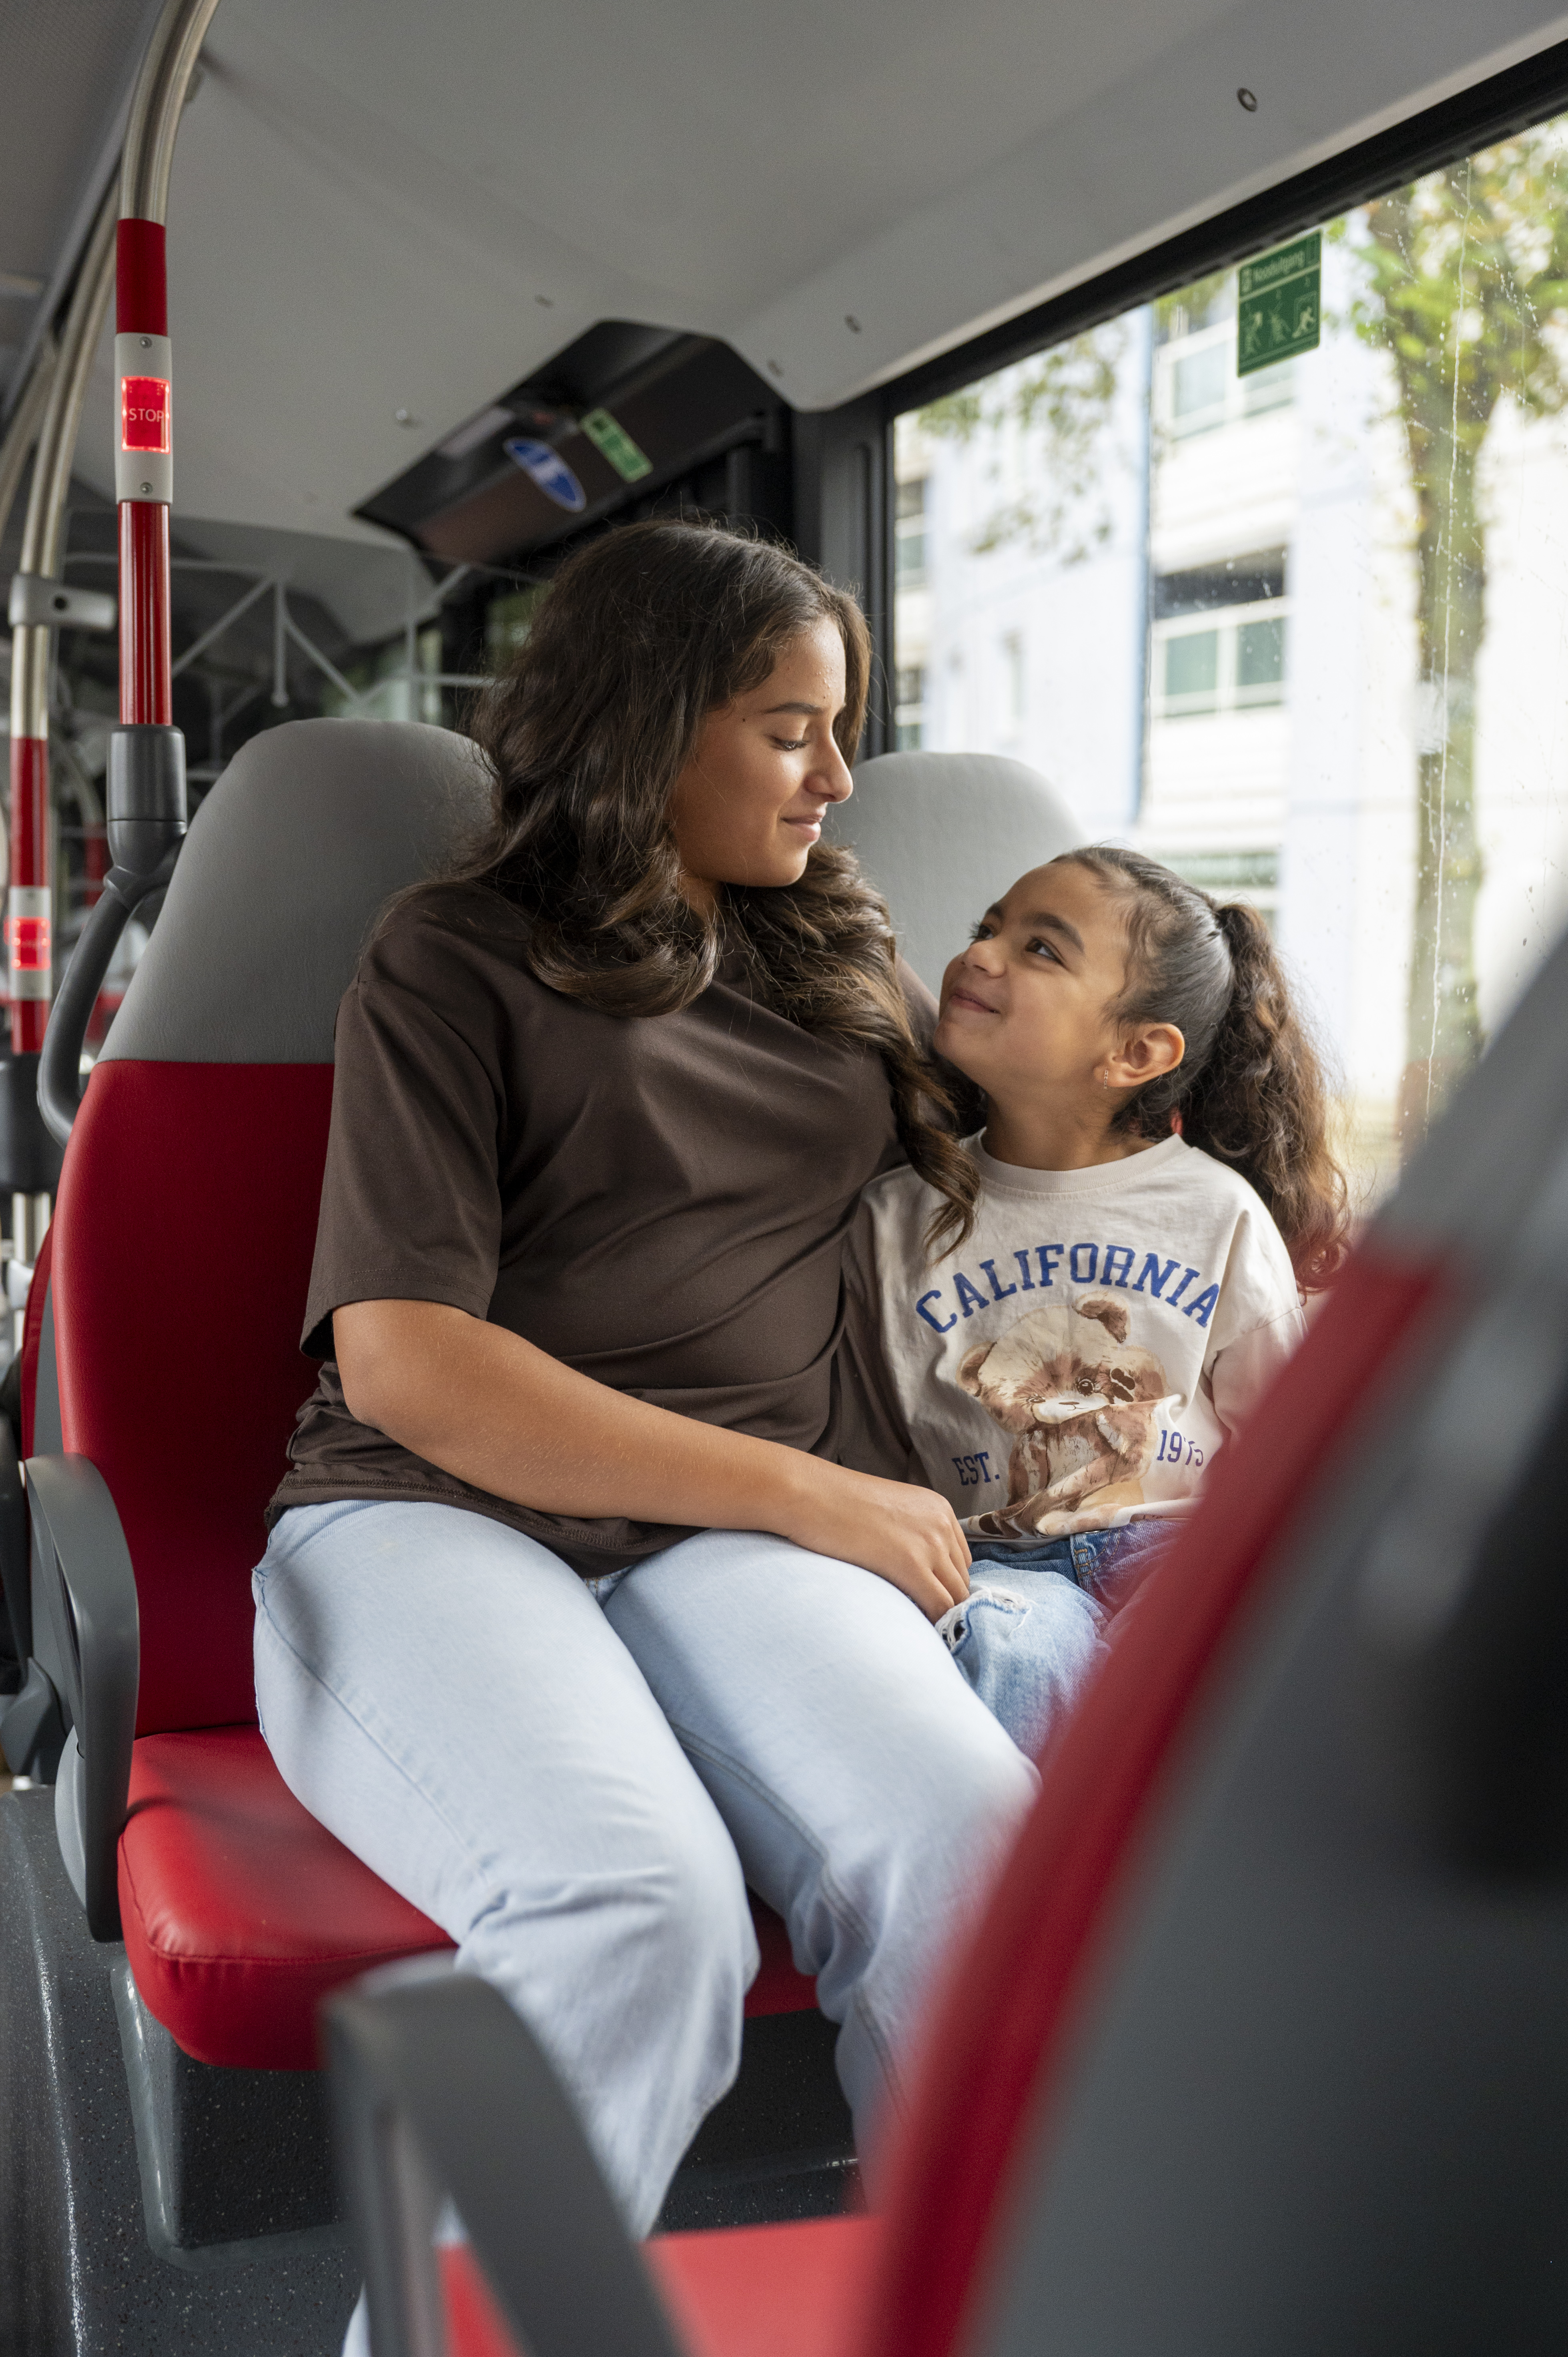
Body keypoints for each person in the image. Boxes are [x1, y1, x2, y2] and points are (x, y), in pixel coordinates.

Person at [250, 521, 1036, 2261]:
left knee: (984, 1865)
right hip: (429, 1513)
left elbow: (1035, 1155)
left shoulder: (829, 947)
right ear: (641, 720)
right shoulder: (451, 953)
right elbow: (407, 1356)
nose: (837, 773)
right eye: (786, 727)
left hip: (724, 1534)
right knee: (632, 1908)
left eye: (841, 726)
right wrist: (814, 1492)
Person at [841, 847, 1351, 1757]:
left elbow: (1288, 1445)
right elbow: (876, 1451)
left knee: (1214, 1670)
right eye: (987, 927)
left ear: (1138, 1051)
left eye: (1042, 949)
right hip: (998, 1566)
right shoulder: (894, 1217)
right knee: (1006, 1651)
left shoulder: (1214, 1212)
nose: (983, 955)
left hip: (1176, 1551)